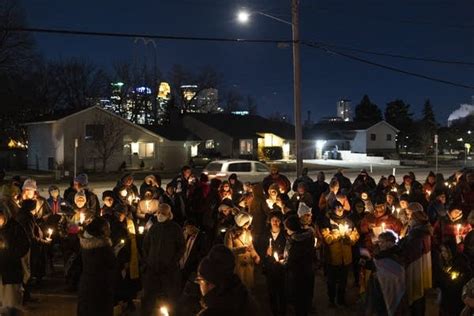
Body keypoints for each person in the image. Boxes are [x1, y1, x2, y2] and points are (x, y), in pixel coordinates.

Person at [141, 203, 185, 316]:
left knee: (171, 297)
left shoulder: (175, 228)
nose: (160, 215)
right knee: (148, 296)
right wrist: (148, 260)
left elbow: (181, 247)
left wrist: (173, 261)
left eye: (163, 213)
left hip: (169, 270)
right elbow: (145, 245)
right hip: (152, 268)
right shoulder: (154, 227)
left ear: (169, 214)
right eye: (159, 212)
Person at [196, 245, 257, 315]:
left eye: (200, 280)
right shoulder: (245, 299)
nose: (199, 285)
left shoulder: (211, 312)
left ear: (209, 282)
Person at [321, 201, 359, 307]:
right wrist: (338, 235)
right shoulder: (327, 222)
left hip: (346, 258)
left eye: (340, 207)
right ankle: (331, 300)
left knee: (343, 281)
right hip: (332, 258)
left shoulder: (349, 221)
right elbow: (327, 239)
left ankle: (341, 299)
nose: (339, 209)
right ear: (333, 209)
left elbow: (355, 237)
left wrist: (348, 238)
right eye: (337, 207)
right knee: (331, 281)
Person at [77, 217, 116, 316]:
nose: (109, 231)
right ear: (100, 230)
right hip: (101, 286)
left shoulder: (84, 242)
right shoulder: (104, 247)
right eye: (107, 228)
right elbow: (112, 264)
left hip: (86, 283)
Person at [399, 208, 432, 316]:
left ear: (416, 221)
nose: (409, 220)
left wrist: (402, 242)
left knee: (416, 293)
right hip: (423, 266)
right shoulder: (425, 231)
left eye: (411, 219)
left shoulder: (416, 234)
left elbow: (410, 252)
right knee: (420, 294)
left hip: (415, 266)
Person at [364, 232, 407, 316]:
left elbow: (397, 274)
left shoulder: (396, 256)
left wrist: (379, 275)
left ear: (389, 242)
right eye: (379, 242)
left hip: (391, 291)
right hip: (380, 290)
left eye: (382, 242)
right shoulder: (381, 255)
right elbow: (374, 265)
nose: (379, 244)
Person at [0, 202, 30, 311]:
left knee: (11, 305)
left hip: (11, 274)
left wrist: (7, 251)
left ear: (5, 215)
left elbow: (24, 247)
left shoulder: (15, 228)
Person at [284, 215, 314, 316]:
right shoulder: (308, 236)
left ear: (291, 228)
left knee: (299, 300)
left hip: (298, 274)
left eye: (287, 228)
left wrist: (283, 263)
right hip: (309, 270)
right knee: (306, 297)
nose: (286, 230)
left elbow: (292, 259)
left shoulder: (294, 241)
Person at [224, 212, 260, 289]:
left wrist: (255, 255)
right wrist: (242, 249)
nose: (249, 225)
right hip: (238, 265)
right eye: (247, 223)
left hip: (248, 264)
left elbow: (251, 246)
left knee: (249, 286)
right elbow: (228, 250)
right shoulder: (230, 233)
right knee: (239, 286)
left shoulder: (247, 232)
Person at [262, 211, 287, 316]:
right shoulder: (265, 234)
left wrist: (284, 257)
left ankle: (282, 311)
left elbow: (288, 249)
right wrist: (266, 253)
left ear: (280, 221)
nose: (275, 222)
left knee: (282, 290)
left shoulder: (285, 234)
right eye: (273, 220)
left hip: (282, 267)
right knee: (271, 291)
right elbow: (261, 249)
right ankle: (274, 312)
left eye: (277, 220)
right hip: (270, 267)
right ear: (270, 221)